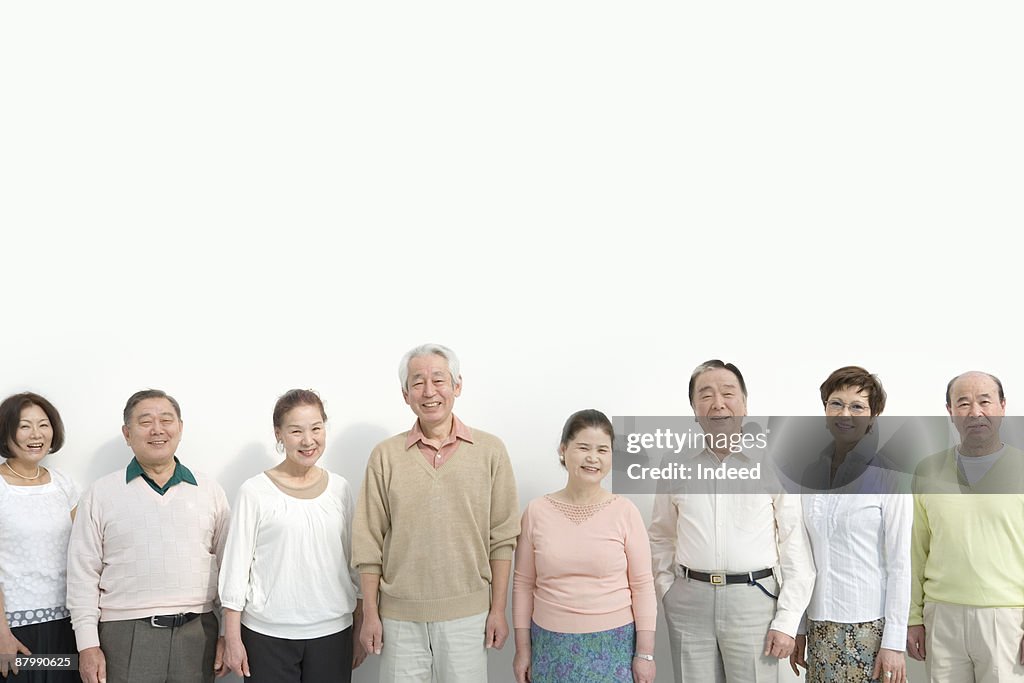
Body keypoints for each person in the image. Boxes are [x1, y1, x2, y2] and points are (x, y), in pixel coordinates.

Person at [352, 343, 520, 683]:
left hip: (469, 616)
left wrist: (497, 610)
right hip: (398, 619)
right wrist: (370, 613)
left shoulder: (491, 451)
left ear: (457, 385)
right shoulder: (385, 456)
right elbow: (369, 541)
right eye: (418, 382)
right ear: (405, 394)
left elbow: (502, 539)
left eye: (439, 380)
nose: (429, 391)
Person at [648, 359, 815, 683]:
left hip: (755, 602)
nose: (718, 403)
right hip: (689, 602)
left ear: (745, 404)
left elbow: (793, 543)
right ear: (694, 408)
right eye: (706, 395)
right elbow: (660, 534)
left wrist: (787, 619)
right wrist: (667, 589)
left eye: (728, 393)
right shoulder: (674, 464)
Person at [67, 389, 230, 683]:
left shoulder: (210, 491)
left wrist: (225, 634)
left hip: (198, 633)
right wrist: (87, 645)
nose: (157, 429)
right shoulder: (100, 493)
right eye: (145, 422)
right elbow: (82, 574)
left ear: (180, 428)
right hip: (124, 634)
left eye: (166, 420)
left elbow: (228, 567)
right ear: (127, 434)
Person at [218, 389, 365, 682]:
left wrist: (359, 625)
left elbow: (354, 563)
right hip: (266, 636)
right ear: (279, 434)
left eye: (316, 428)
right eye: (296, 431)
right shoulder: (255, 491)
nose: (308, 440)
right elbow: (236, 569)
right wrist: (232, 638)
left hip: (333, 633)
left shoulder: (340, 488)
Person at [512, 409, 657, 683]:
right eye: (583, 447)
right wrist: (523, 650)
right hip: (549, 645)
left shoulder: (625, 511)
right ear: (563, 449)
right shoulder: (536, 511)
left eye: (603, 450)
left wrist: (645, 654)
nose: (593, 458)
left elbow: (642, 586)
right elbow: (522, 585)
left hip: (614, 646)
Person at [788, 367, 912, 683]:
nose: (845, 414)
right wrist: (799, 626)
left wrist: (894, 644)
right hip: (819, 625)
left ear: (873, 415)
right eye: (836, 403)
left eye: (857, 406)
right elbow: (804, 557)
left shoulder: (890, 477)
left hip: (869, 628)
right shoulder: (809, 475)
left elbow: (900, 565)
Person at [907, 371, 1024, 683]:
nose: (975, 412)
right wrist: (913, 617)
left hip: (1008, 618)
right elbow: (916, 550)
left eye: (985, 401)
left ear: (1002, 406)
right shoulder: (927, 470)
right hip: (941, 617)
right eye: (963, 403)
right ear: (950, 411)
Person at [0, 393, 79, 682]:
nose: (36, 435)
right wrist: (0, 634)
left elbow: (84, 553)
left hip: (66, 623)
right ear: (6, 431)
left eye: (43, 425)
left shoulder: (64, 485)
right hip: (15, 628)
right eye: (24, 426)